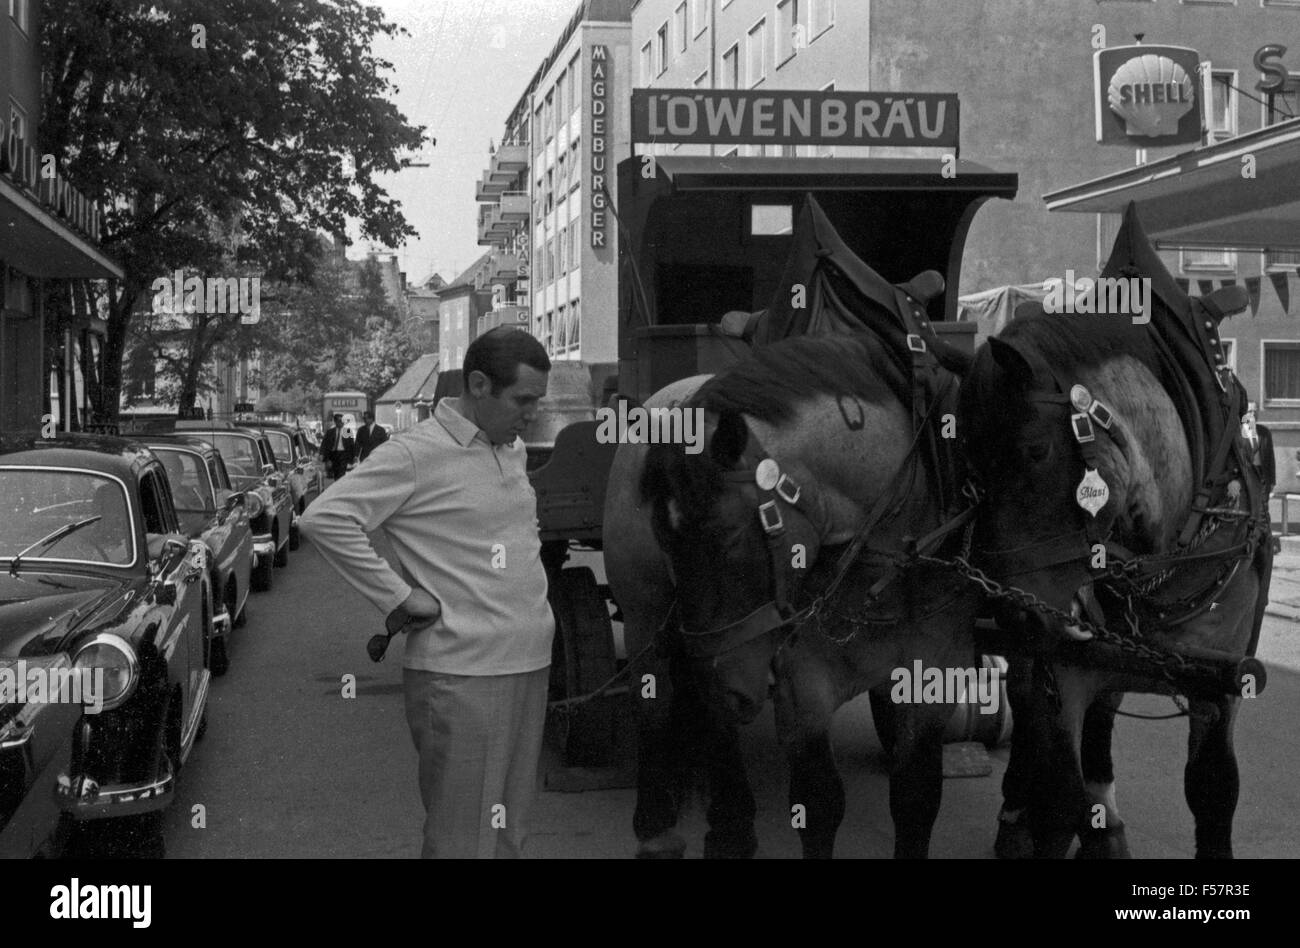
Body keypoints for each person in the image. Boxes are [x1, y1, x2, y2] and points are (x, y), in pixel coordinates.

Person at [300, 327, 554, 859]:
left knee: (509, 834)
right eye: (524, 401)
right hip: (463, 675)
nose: (533, 414)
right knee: (463, 841)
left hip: (527, 664)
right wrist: (397, 597)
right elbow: (325, 518)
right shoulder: (417, 454)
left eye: (538, 402)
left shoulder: (509, 448)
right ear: (479, 385)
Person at [319, 413, 354, 480]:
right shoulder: (330, 432)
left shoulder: (347, 431)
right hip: (333, 455)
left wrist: (352, 458)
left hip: (343, 455)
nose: (341, 422)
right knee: (336, 473)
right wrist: (322, 454)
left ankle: (340, 486)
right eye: (339, 421)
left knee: (341, 473)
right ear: (335, 422)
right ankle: (337, 483)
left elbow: (351, 445)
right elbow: (324, 444)